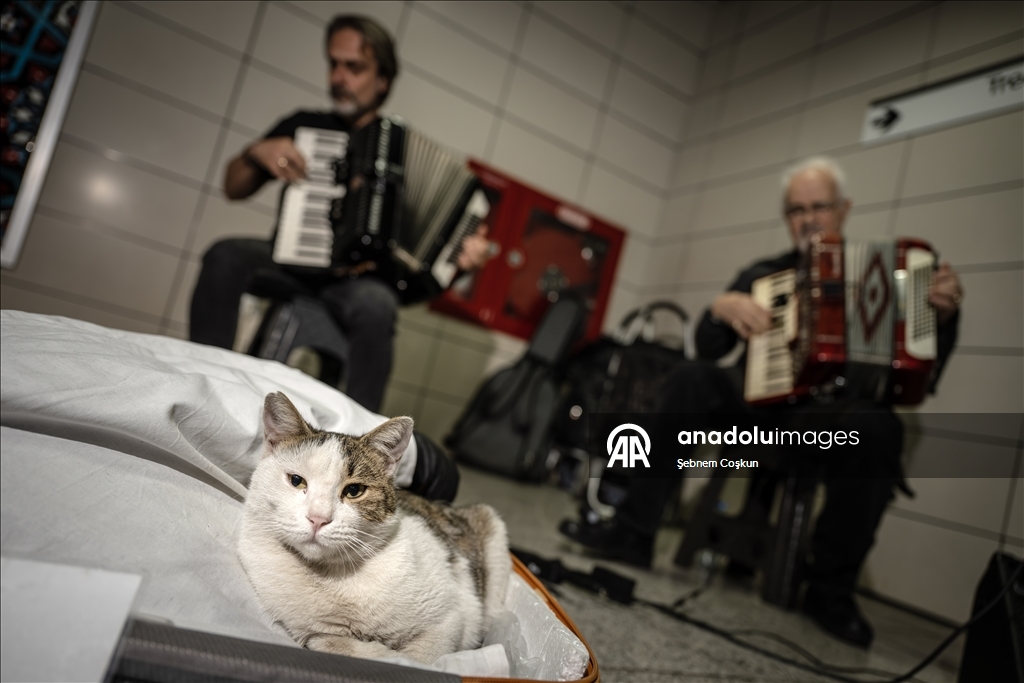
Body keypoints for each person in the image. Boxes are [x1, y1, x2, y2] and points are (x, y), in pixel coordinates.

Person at [559, 157, 963, 648]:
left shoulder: (883, 274)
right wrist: (718, 309)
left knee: (880, 428)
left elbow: (924, 367)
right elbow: (708, 348)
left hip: (830, 417)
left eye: (819, 207)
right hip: (759, 412)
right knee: (690, 377)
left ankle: (830, 590)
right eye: (796, 210)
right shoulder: (764, 273)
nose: (808, 219)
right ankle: (633, 531)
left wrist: (939, 316)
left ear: (844, 210)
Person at [189, 15, 490, 414]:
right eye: (334, 64)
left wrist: (462, 262)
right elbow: (233, 187)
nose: (338, 77)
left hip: (355, 283)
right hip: (290, 263)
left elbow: (416, 285)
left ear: (383, 80)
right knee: (224, 255)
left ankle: (364, 439)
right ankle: (204, 385)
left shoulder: (399, 151)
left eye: (354, 67)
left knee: (378, 305)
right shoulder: (304, 125)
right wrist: (255, 152)